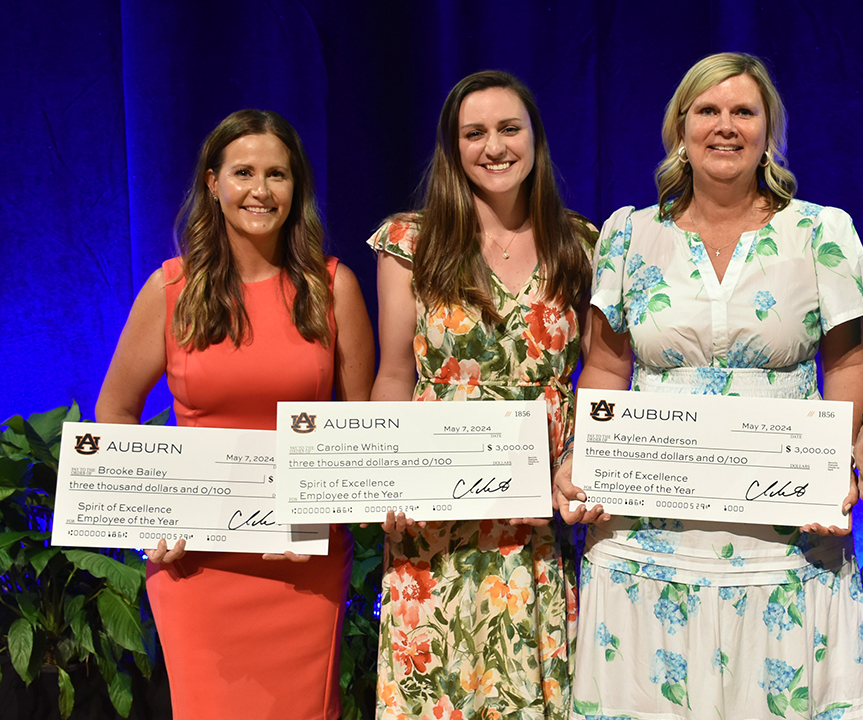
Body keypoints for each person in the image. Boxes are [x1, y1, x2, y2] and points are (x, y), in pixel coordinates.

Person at [563, 52, 863, 720]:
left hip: (784, 538)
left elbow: (846, 365)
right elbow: (607, 367)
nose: (724, 126)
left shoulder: (822, 232)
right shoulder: (627, 234)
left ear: (769, 131)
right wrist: (580, 460)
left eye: (743, 112)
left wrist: (840, 463)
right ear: (681, 126)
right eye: (708, 110)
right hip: (645, 537)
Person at [95, 109, 374, 719]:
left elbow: (366, 432)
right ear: (212, 182)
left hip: (304, 565)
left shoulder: (334, 289)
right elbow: (114, 408)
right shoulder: (170, 291)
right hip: (197, 568)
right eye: (243, 172)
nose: (260, 190)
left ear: (296, 188)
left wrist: (328, 508)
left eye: (278, 174)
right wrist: (147, 516)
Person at [368, 70, 595, 719]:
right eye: (475, 133)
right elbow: (391, 376)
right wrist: (387, 476)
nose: (493, 146)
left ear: (535, 140)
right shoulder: (409, 244)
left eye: (508, 128)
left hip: (534, 534)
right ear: (453, 147)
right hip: (432, 533)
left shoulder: (580, 245)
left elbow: (601, 375)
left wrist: (574, 461)